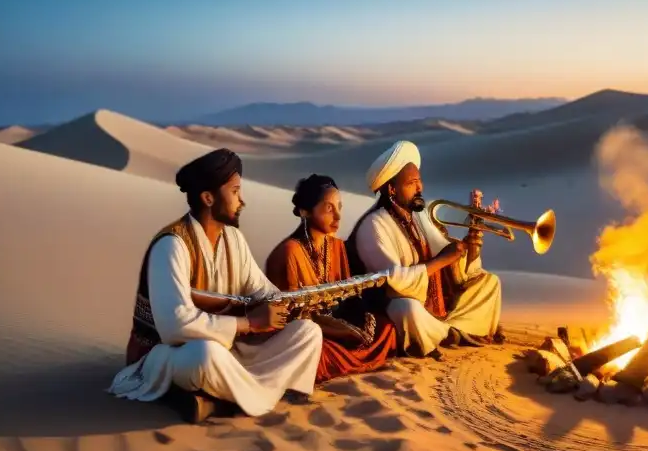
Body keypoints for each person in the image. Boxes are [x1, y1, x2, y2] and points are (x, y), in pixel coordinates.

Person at [108, 148, 323, 424]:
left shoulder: (233, 239)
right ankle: (254, 396)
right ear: (208, 198)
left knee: (308, 333)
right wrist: (250, 324)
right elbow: (174, 326)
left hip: (228, 350)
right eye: (235, 192)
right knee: (205, 354)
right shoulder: (172, 245)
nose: (241, 201)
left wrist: (293, 304)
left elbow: (262, 290)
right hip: (169, 354)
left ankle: (223, 400)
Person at [347, 140, 503, 358]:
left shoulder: (418, 216)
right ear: (392, 189)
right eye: (412, 183)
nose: (420, 188)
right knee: (407, 310)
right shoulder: (373, 225)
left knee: (490, 283)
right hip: (390, 304)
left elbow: (450, 258)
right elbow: (394, 280)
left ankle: (446, 331)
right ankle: (450, 333)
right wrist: (441, 260)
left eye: (419, 181)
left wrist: (472, 243)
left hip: (434, 303)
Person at [264, 174, 398, 383]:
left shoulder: (335, 246)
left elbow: (346, 297)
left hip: (334, 323)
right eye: (329, 208)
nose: (337, 216)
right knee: (318, 353)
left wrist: (358, 321)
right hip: (305, 331)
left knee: (386, 329)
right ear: (305, 211)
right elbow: (292, 318)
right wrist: (340, 332)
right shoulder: (290, 252)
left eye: (339, 207)